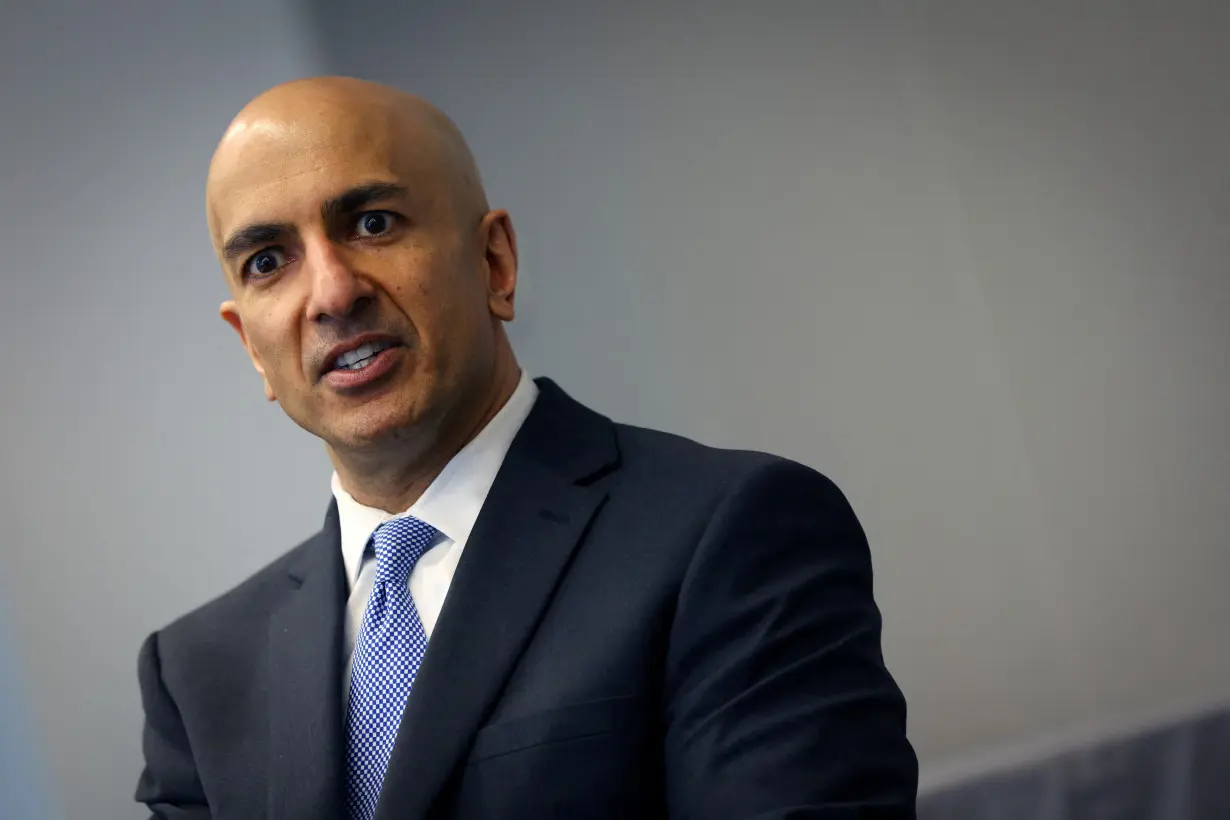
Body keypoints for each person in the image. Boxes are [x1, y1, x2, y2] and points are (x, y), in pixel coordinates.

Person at [135, 76, 918, 819]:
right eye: (268, 261)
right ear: (250, 346)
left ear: (494, 263)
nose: (333, 293)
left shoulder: (730, 535)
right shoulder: (197, 674)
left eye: (373, 223)